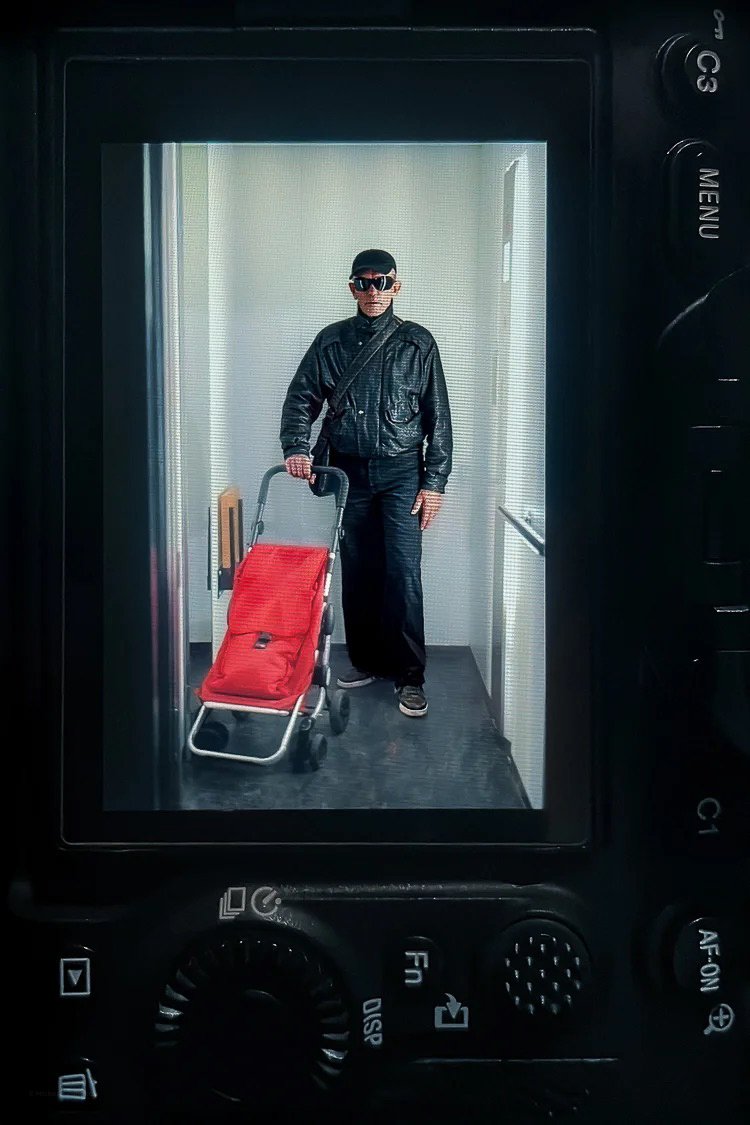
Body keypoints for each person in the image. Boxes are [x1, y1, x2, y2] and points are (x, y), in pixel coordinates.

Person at [279, 249, 453, 717]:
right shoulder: (331, 341)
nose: (373, 292)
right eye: (364, 283)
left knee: (402, 572)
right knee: (357, 569)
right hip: (349, 472)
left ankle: (410, 676)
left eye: (382, 283)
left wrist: (433, 482)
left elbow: (440, 420)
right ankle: (367, 661)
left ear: (397, 286)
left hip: (402, 474)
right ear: (352, 286)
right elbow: (302, 397)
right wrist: (296, 446)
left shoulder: (419, 343)